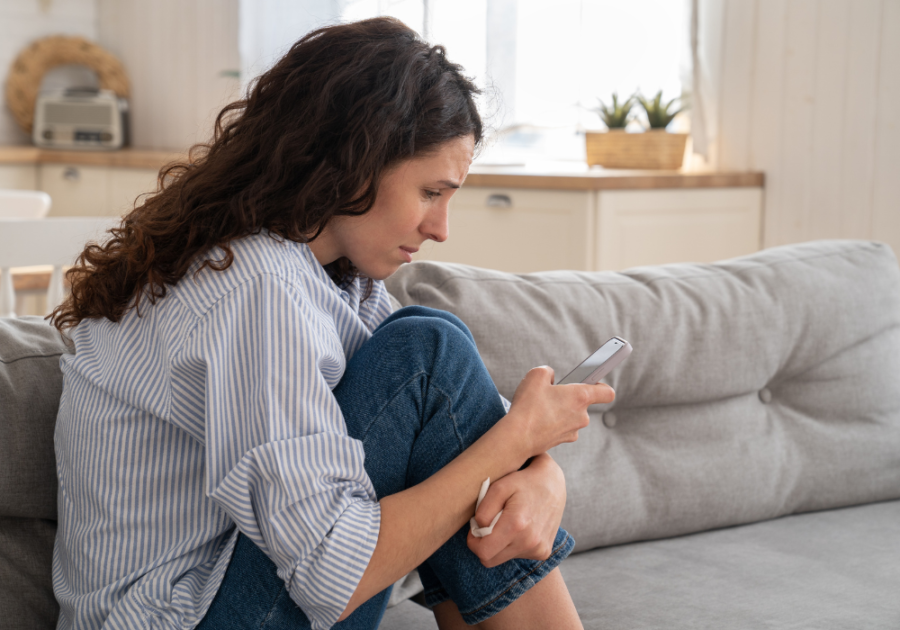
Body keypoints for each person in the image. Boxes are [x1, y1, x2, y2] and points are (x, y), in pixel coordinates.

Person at [49, 17, 614, 630]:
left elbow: (456, 428)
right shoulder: (254, 286)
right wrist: (517, 442)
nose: (441, 228)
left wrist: (541, 474)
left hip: (229, 592)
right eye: (431, 192)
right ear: (356, 162)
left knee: (431, 347)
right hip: (179, 617)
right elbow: (330, 574)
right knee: (429, 347)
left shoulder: (332, 277)